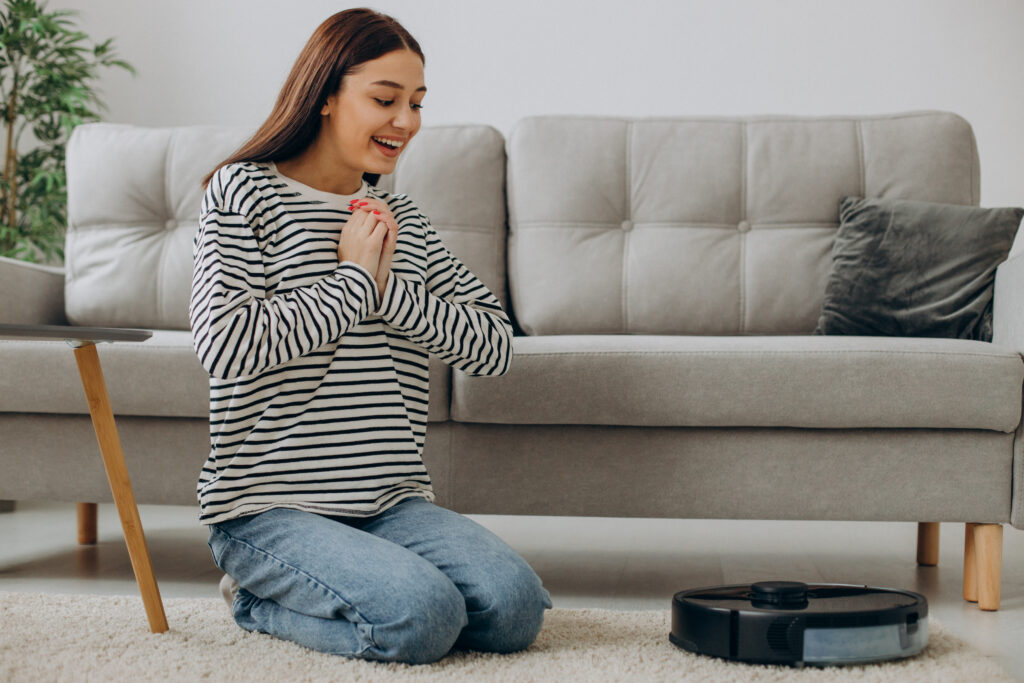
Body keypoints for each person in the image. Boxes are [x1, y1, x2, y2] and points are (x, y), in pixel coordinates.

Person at [189, 8, 550, 664]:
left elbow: (495, 346)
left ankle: (360, 583)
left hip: (388, 502)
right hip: (268, 508)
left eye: (416, 103)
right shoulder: (244, 194)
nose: (406, 122)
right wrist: (352, 282)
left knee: (515, 608)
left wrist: (386, 291)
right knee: (422, 616)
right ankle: (255, 598)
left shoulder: (400, 219)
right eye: (385, 99)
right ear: (325, 95)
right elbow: (226, 344)